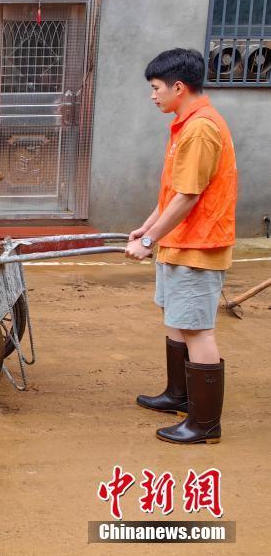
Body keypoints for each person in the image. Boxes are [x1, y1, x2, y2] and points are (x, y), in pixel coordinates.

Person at [127, 48, 236, 445]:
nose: (152, 96)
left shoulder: (201, 128)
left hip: (199, 245)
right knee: (177, 320)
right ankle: (179, 395)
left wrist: (151, 239)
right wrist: (146, 227)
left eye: (155, 88)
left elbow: (189, 196)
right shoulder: (184, 123)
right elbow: (173, 192)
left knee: (196, 329)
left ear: (178, 86)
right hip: (180, 240)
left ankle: (205, 423)